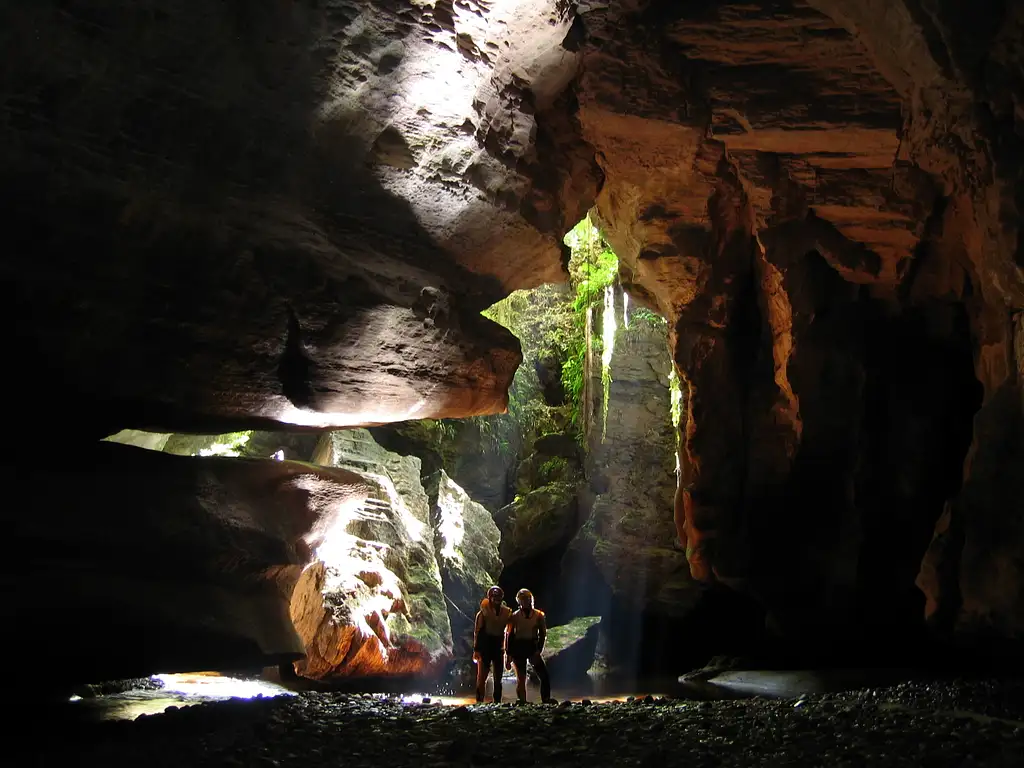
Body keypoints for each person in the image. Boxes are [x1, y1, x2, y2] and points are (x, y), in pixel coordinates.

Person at [505, 588, 553, 703]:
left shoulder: (539, 615)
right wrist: (508, 654)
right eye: (524, 599)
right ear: (519, 602)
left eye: (529, 599)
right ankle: (522, 701)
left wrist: (539, 650)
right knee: (521, 679)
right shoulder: (514, 616)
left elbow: (542, 634)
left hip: (532, 647)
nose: (527, 602)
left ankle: (545, 700)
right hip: (518, 647)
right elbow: (509, 635)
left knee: (544, 676)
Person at [473, 585, 512, 703]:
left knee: (498, 678)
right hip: (485, 647)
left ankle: (497, 702)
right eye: (494, 596)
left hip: (498, 647)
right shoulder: (482, 613)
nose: (496, 599)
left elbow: (509, 632)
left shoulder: (506, 613)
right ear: (489, 597)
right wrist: (476, 650)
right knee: (481, 678)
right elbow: (477, 632)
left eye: (498, 596)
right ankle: (479, 702)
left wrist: (509, 653)